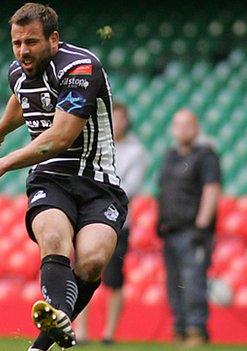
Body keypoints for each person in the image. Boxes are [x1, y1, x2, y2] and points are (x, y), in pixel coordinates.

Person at [0, 3, 128, 349]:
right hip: (50, 178)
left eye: (31, 42)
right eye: (17, 43)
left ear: (53, 40)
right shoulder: (19, 71)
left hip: (98, 182)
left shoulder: (80, 68)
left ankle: (45, 338)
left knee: (92, 261)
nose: (23, 51)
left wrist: (3, 162)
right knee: (54, 240)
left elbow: (60, 138)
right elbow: (21, 97)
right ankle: (41, 347)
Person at [74, 102, 147, 345]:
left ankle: (109, 332)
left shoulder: (135, 151)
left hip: (118, 222)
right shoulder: (97, 144)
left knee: (114, 279)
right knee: (83, 272)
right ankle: (80, 329)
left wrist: (98, 189)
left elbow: (129, 188)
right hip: (90, 219)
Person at [156, 109, 221, 347]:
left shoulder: (206, 155)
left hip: (192, 231)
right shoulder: (170, 156)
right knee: (174, 284)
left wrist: (201, 226)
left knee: (193, 281)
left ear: (196, 128)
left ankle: (196, 330)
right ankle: (180, 328)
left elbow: (211, 189)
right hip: (170, 230)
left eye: (187, 125)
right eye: (178, 125)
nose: (182, 130)